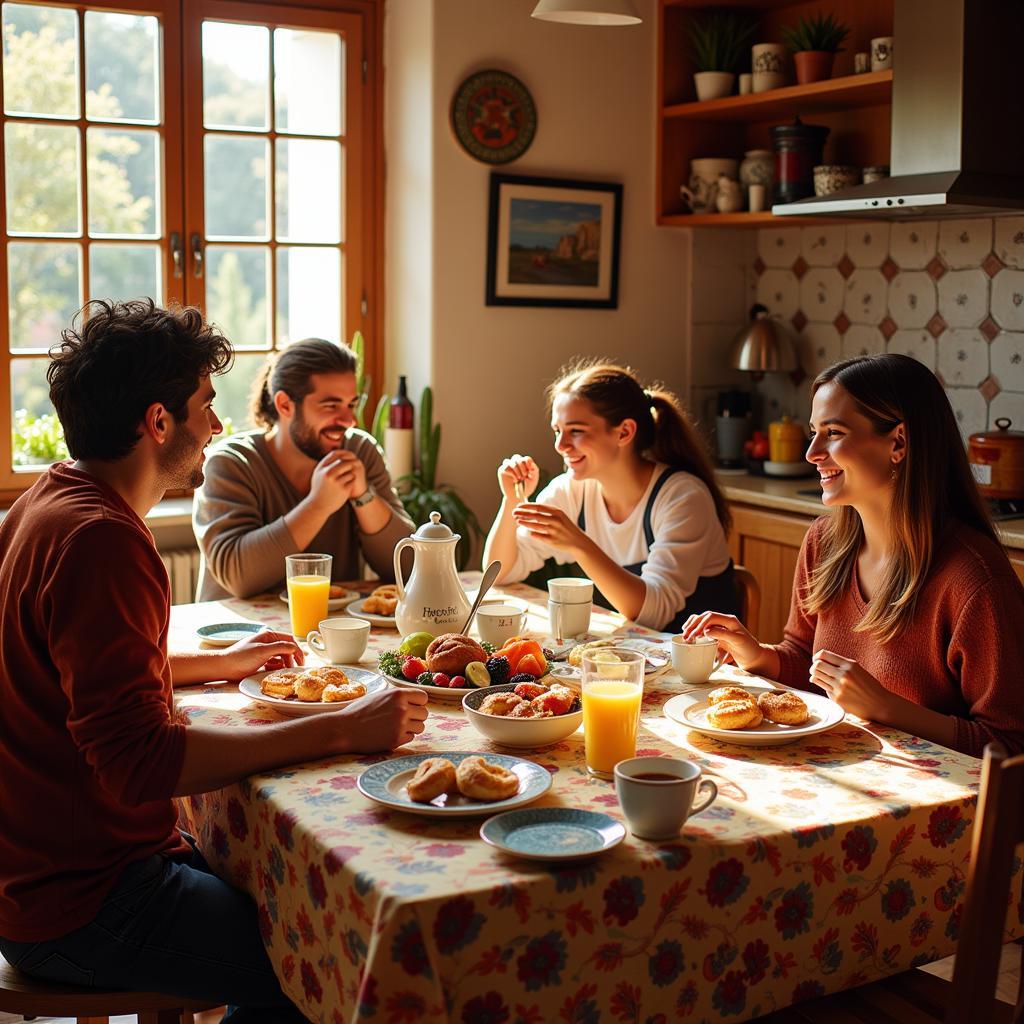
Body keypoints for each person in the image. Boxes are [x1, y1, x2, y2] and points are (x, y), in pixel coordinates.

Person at [0, 300, 429, 1021]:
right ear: (157, 422)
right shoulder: (103, 541)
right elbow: (138, 762)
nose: (218, 424)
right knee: (331, 952)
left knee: (298, 892)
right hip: (84, 902)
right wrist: (343, 728)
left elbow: (79, 676)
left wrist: (215, 666)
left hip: (43, 875)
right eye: (206, 404)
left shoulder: (50, 498)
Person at [681, 353, 1024, 759]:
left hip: (938, 812)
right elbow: (806, 665)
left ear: (898, 442)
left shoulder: (975, 580)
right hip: (843, 775)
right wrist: (758, 654)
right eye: (814, 432)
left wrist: (887, 708)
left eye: (833, 432)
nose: (811, 452)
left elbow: (1011, 748)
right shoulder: (824, 542)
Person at [484, 360, 738, 632]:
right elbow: (500, 574)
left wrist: (579, 544)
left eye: (576, 431)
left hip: (702, 663)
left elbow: (653, 614)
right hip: (634, 655)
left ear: (625, 432)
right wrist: (511, 500)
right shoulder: (572, 490)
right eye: (558, 431)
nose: (561, 445)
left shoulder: (682, 497)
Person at [194, 339, 414, 600]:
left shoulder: (360, 451)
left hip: (330, 632)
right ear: (285, 405)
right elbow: (238, 578)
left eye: (351, 405)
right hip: (240, 637)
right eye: (331, 406)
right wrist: (319, 505)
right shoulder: (231, 463)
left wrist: (364, 495)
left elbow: (410, 567)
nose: (348, 421)